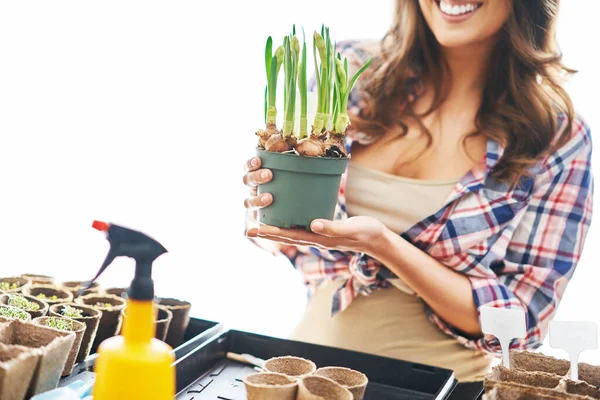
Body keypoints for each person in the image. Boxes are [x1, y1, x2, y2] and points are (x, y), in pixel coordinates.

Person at [243, 0, 593, 382]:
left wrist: (383, 245)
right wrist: (268, 204)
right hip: (306, 372)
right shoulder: (351, 71)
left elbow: (523, 320)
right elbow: (283, 236)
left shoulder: (557, 136)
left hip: (436, 387)